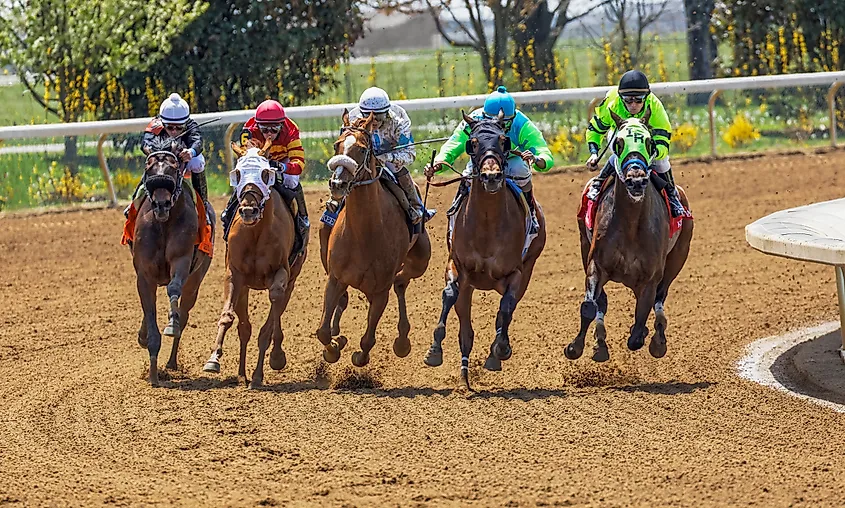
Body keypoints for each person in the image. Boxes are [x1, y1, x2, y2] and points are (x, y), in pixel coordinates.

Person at [424, 86, 553, 234]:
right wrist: (438, 164)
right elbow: (455, 144)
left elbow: (542, 149)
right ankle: (455, 215)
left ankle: (531, 213)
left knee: (521, 170)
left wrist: (537, 159)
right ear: (483, 116)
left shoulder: (522, 124)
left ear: (511, 119)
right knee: (467, 175)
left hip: (510, 160)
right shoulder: (473, 121)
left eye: (503, 124)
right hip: (482, 161)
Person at [585, 69, 684, 217]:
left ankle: (672, 194)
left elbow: (663, 136)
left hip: (646, 142)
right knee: (618, 150)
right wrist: (594, 154)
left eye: (638, 100)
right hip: (621, 138)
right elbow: (595, 129)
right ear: (620, 97)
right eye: (628, 100)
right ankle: (599, 183)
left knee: (662, 161)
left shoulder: (654, 106)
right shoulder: (612, 102)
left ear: (646, 97)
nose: (633, 105)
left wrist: (654, 152)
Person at [328, 86, 424, 224]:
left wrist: (387, 157)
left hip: (389, 157)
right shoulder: (353, 120)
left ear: (387, 113)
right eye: (368, 116)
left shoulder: (399, 122)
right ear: (362, 113)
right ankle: (334, 200)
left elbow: (409, 154)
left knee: (397, 168)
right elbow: (345, 149)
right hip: (362, 159)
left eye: (378, 116)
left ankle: (415, 206)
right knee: (344, 171)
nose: (374, 121)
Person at [221, 99, 309, 240]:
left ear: (282, 125)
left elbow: (298, 164)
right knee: (244, 178)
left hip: (281, 160)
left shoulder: (291, 130)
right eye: (264, 129)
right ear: (257, 126)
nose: (269, 134)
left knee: (292, 181)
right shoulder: (249, 130)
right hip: (257, 160)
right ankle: (229, 210)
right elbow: (245, 157)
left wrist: (282, 167)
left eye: (274, 130)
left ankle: (302, 217)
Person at [124, 93, 208, 216]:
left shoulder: (191, 125)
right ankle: (134, 203)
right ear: (162, 123)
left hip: (184, 159)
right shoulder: (155, 125)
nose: (174, 131)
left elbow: (197, 141)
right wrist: (152, 152)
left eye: (179, 128)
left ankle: (203, 203)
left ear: (185, 122)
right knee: (151, 164)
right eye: (169, 127)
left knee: (197, 162)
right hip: (162, 160)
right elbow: (145, 143)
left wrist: (191, 152)